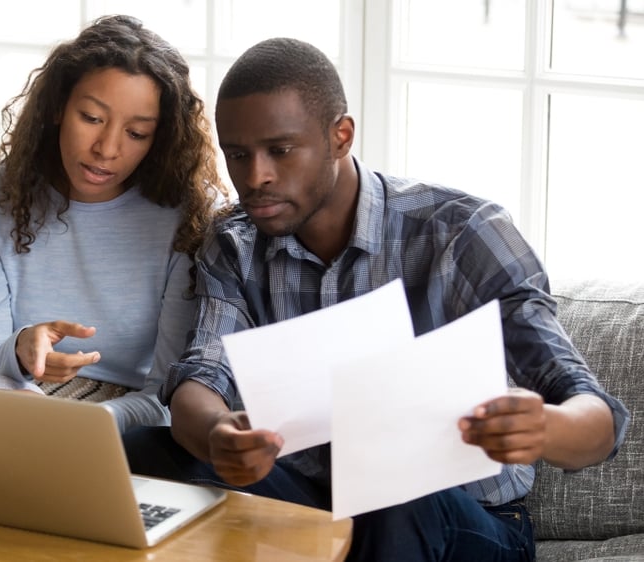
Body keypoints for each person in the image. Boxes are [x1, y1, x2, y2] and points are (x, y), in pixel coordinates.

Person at [122, 37, 629, 560]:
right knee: (141, 453)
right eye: (238, 154)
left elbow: (597, 418)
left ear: (341, 136)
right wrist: (217, 435)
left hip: (461, 520)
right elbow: (200, 377)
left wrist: (546, 427)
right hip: (317, 506)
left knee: (395, 497)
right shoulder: (235, 243)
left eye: (281, 150)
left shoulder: (462, 234)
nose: (256, 177)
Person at [0, 15, 226, 433]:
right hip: (16, 403)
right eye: (91, 118)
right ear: (57, 108)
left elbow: (168, 396)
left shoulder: (188, 213)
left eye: (137, 133)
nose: (107, 149)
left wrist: (87, 425)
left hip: (130, 424)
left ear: (160, 139)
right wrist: (21, 347)